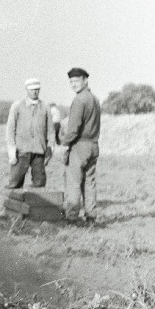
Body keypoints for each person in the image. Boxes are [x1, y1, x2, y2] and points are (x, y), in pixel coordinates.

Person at [61, 67, 101, 223]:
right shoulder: (94, 99)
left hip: (79, 145)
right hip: (93, 145)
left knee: (73, 182)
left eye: (77, 81)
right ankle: (91, 216)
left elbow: (73, 129)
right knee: (89, 182)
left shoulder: (79, 100)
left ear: (85, 81)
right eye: (71, 81)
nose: (73, 84)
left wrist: (65, 144)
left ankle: (72, 217)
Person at [5, 78, 55, 189]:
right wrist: (11, 149)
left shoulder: (45, 108)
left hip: (39, 152)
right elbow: (10, 129)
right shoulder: (17, 106)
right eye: (32, 90)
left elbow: (51, 131)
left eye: (37, 89)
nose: (35, 92)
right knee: (14, 183)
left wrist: (50, 147)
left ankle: (36, 205)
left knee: (39, 183)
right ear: (26, 90)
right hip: (21, 152)